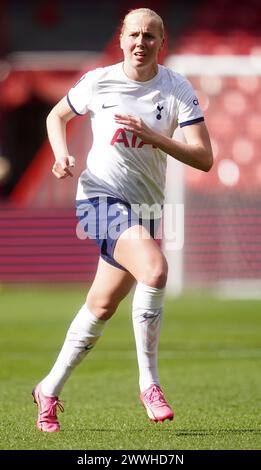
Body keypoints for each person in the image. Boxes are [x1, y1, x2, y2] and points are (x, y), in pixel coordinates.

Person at [32, 7, 213, 432]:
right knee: (155, 269)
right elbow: (56, 115)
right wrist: (61, 154)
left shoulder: (177, 89)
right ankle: (149, 383)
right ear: (121, 39)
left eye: (150, 36)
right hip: (99, 198)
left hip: (146, 210)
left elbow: (204, 158)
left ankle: (49, 388)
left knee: (101, 304)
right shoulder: (99, 81)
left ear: (161, 42)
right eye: (134, 34)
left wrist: (155, 137)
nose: (140, 43)